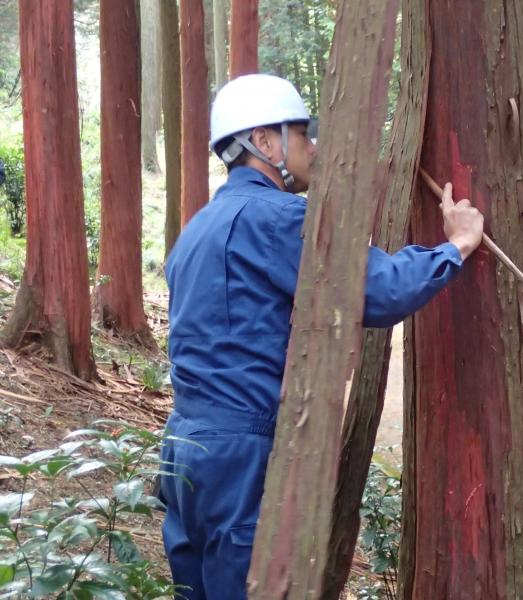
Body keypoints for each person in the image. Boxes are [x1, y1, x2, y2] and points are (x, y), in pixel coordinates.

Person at [159, 74, 485, 600]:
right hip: (241, 455)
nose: (313, 146)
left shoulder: (197, 229)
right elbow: (375, 290)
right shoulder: (278, 217)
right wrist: (456, 247)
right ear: (263, 142)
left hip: (184, 450)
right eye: (302, 133)